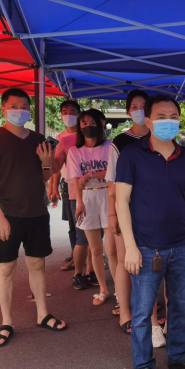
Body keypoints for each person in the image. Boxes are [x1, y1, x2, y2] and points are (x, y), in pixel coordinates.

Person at [117, 95, 185, 369]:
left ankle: (177, 355)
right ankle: (144, 365)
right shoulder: (132, 155)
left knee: (179, 305)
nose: (169, 122)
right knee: (142, 312)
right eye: (162, 117)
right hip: (145, 247)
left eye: (173, 116)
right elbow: (121, 201)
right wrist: (129, 246)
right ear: (149, 120)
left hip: (182, 245)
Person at [0, 88, 67, 347]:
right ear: (3, 108)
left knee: (37, 264)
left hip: (37, 212)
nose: (20, 111)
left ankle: (42, 314)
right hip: (6, 214)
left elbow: (44, 176)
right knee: (6, 268)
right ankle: (6, 322)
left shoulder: (38, 139)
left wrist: (47, 162)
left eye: (25, 107)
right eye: (14, 106)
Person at [106, 89, 150, 336]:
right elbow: (111, 185)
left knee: (152, 262)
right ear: (128, 111)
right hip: (127, 210)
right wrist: (112, 215)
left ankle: (151, 311)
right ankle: (125, 312)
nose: (140, 110)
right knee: (125, 261)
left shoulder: (159, 137)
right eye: (135, 106)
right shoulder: (120, 143)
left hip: (153, 211)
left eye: (144, 105)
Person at [66, 108, 114, 306]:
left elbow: (113, 173)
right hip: (87, 198)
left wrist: (91, 175)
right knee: (95, 249)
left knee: (111, 250)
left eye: (92, 123)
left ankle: (120, 291)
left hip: (108, 195)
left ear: (99, 125)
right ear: (79, 127)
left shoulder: (109, 147)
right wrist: (79, 203)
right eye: (84, 123)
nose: (88, 126)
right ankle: (103, 289)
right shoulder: (74, 151)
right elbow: (76, 180)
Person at [49, 100, 81, 271]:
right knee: (73, 224)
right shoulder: (60, 138)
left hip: (85, 184)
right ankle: (76, 254)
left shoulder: (85, 135)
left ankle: (89, 256)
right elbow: (56, 167)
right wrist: (53, 188)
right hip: (67, 184)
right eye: (65, 112)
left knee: (86, 224)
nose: (68, 115)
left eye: (72, 111)